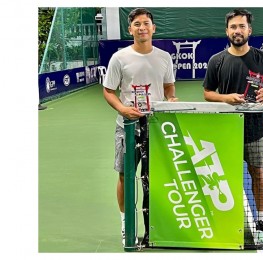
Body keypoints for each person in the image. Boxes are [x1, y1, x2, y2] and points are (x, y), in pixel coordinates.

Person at [103, 8, 178, 247]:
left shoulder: (165, 57)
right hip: (127, 126)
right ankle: (127, 225)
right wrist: (123, 110)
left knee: (153, 178)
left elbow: (169, 88)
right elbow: (108, 90)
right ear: (130, 29)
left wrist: (171, 99)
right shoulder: (119, 58)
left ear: (153, 28)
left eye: (146, 23)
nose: (142, 27)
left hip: (155, 127)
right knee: (125, 176)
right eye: (137, 24)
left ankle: (154, 226)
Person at [203, 8, 263, 245]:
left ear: (249, 30)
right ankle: (228, 220)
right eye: (233, 27)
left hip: (256, 130)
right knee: (226, 178)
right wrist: (226, 98)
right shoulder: (217, 60)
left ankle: (261, 222)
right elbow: (207, 93)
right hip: (226, 131)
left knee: (258, 173)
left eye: (242, 26)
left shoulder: (262, 58)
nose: (238, 31)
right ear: (227, 31)